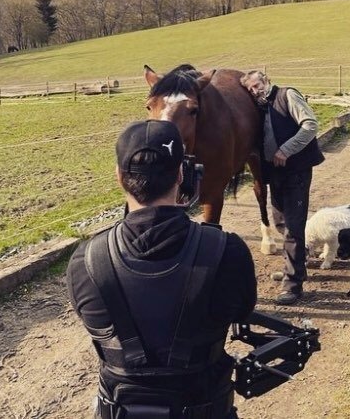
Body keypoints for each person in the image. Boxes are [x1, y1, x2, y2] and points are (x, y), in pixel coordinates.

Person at [66, 119, 257, 419]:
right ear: (181, 173)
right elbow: (242, 312)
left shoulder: (86, 262)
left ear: (119, 176)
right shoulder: (228, 252)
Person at [240, 70, 325, 305]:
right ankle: (297, 263)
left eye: (257, 85)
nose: (255, 91)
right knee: (280, 222)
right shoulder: (260, 108)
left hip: (296, 170)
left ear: (266, 80)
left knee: (293, 227)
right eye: (250, 89)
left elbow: (310, 125)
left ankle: (293, 285)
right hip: (275, 174)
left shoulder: (287, 95)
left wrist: (286, 150)